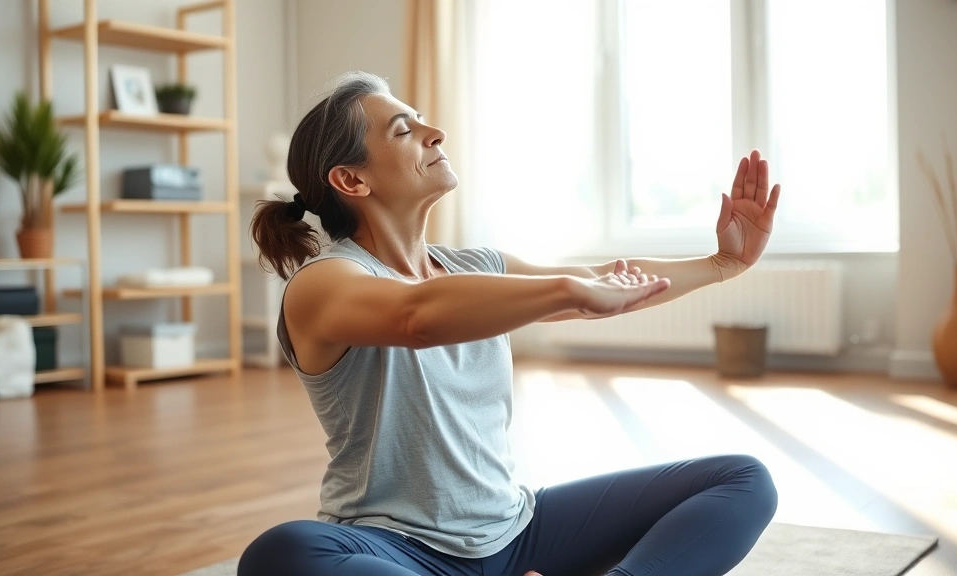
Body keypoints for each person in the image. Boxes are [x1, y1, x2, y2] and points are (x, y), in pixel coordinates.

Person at [239, 71, 781, 576]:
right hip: (397, 549)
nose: (435, 132)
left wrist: (722, 264)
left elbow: (608, 280)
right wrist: (569, 290)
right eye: (405, 130)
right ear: (351, 179)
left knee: (742, 478)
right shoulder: (323, 282)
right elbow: (416, 315)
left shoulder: (478, 267)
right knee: (282, 553)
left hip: (519, 531)